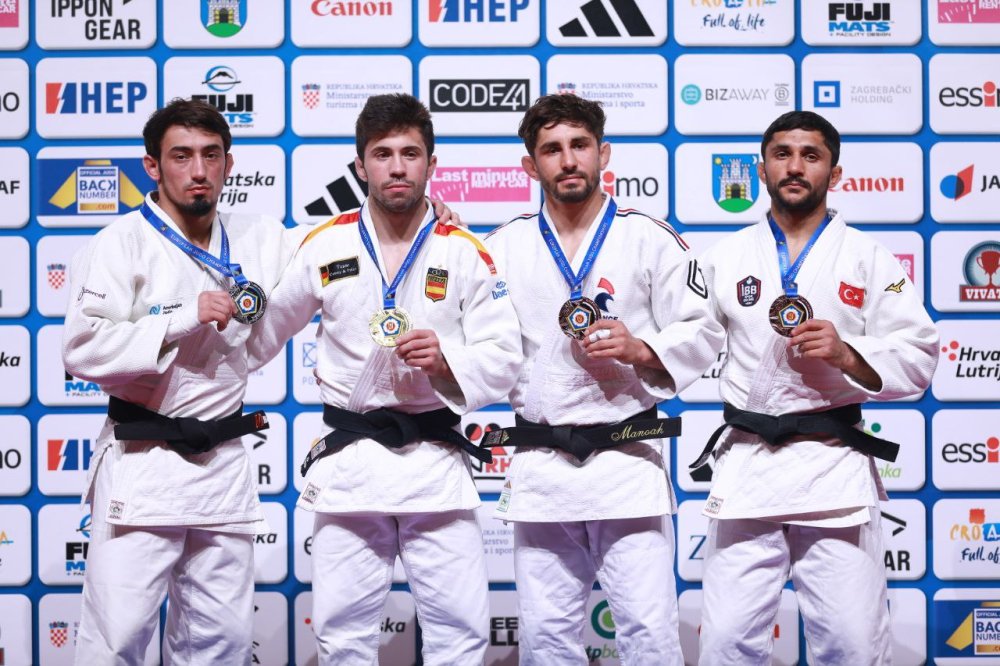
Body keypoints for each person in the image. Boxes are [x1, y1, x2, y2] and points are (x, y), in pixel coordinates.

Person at [245, 93, 522, 665]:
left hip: (435, 467)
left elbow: (504, 357)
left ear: (431, 164)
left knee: (461, 636)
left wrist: (447, 361)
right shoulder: (323, 244)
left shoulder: (465, 251)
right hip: (352, 466)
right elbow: (260, 337)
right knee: (342, 638)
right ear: (360, 165)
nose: (397, 168)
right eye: (382, 154)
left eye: (410, 154)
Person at [482, 93, 724, 665]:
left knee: (648, 632)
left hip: (626, 462)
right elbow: (474, 339)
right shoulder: (501, 247)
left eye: (580, 145)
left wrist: (642, 349)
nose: (568, 160)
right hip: (542, 465)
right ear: (530, 165)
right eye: (552, 149)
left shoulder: (649, 237)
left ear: (603, 153)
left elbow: (703, 328)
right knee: (545, 638)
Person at [694, 110, 938, 664]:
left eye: (811, 155)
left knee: (852, 642)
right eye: (782, 154)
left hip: (833, 469)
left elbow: (919, 351)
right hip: (750, 463)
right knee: (727, 641)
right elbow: (685, 340)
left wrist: (847, 353)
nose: (795, 167)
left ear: (835, 172)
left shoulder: (868, 258)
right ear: (761, 169)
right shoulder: (725, 258)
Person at [62, 98, 288, 664]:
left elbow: (338, 250)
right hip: (144, 461)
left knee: (220, 641)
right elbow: (82, 349)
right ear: (153, 166)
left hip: (222, 464)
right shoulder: (120, 242)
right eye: (181, 156)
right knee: (116, 639)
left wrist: (427, 216)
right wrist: (182, 317)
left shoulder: (261, 236)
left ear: (229, 164)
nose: (199, 170)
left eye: (211, 155)